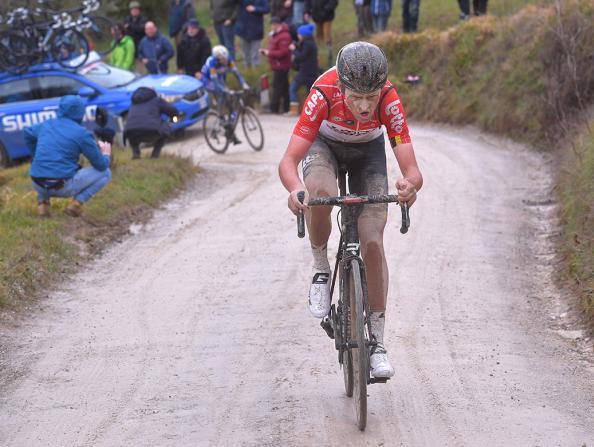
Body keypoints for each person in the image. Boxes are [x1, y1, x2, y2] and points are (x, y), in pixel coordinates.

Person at [278, 42, 423, 378]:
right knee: (322, 193)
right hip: (324, 146)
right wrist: (294, 189)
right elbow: (289, 161)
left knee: (372, 239)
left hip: (367, 153)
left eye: (370, 98)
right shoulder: (323, 92)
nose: (363, 105)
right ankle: (320, 269)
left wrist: (409, 185)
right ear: (341, 86)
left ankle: (378, 344)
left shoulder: (389, 99)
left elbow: (411, 168)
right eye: (355, 96)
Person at [25, 96, 112, 218]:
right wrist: (106, 154)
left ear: (60, 109)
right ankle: (76, 204)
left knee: (45, 168)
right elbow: (101, 165)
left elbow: (27, 132)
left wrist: (34, 155)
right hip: (62, 187)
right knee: (106, 173)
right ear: (81, 112)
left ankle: (43, 205)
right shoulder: (82, 134)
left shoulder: (45, 125)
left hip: (37, 183)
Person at [201, 45, 250, 144]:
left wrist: (244, 84)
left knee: (230, 99)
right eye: (222, 60)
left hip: (220, 78)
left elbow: (237, 74)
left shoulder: (229, 60)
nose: (225, 61)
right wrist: (225, 90)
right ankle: (220, 115)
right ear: (217, 58)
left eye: (225, 58)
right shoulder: (212, 63)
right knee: (221, 93)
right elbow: (215, 82)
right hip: (209, 80)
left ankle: (230, 129)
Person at [123, 87, 179, 159]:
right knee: (166, 128)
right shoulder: (157, 100)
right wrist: (174, 120)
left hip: (131, 133)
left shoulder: (133, 103)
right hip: (152, 131)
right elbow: (174, 112)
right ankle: (155, 155)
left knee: (132, 127)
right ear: (153, 92)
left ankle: (136, 154)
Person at [260, 16, 292, 114]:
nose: (271, 27)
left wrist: (268, 53)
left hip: (281, 65)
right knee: (283, 87)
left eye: (273, 25)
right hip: (277, 65)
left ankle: (274, 108)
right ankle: (286, 108)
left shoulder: (284, 36)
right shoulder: (275, 35)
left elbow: (283, 53)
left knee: (277, 87)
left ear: (277, 25)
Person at [287, 23, 317, 116]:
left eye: (299, 34)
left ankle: (294, 110)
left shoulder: (308, 44)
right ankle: (313, 112)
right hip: (311, 72)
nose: (298, 36)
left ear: (304, 34)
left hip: (305, 72)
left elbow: (302, 56)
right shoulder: (310, 43)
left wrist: (293, 50)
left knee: (293, 88)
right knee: (311, 93)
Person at [235, 0, 270, 68]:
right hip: (243, 28)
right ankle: (247, 68)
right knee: (245, 51)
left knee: (255, 53)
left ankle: (256, 69)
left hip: (256, 28)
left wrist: (255, 9)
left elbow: (267, 9)